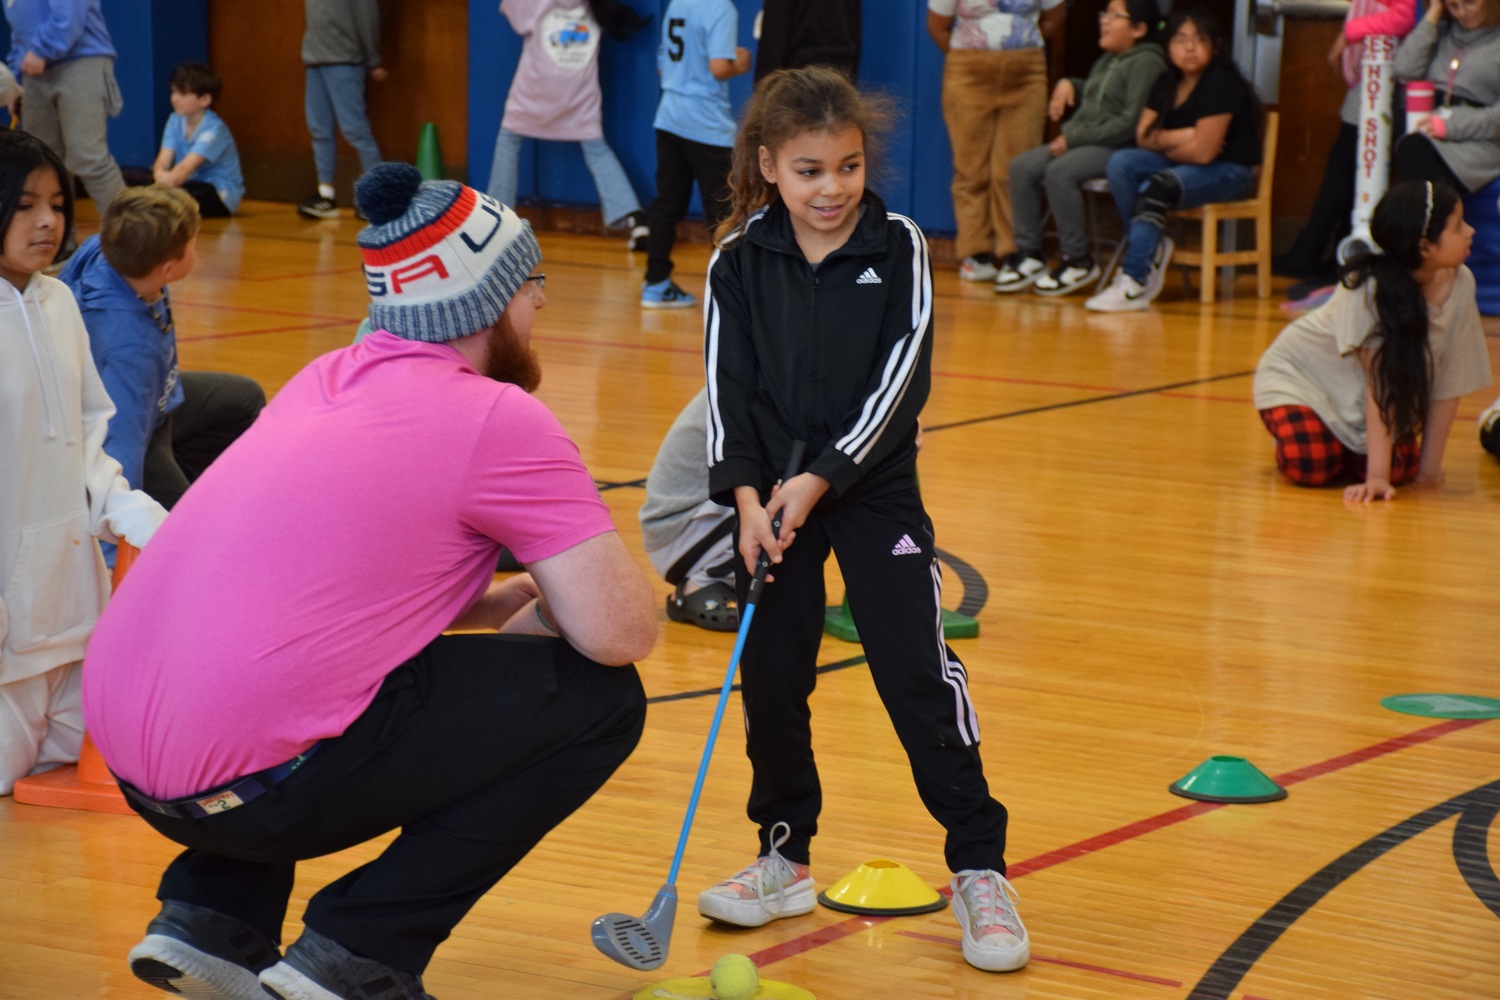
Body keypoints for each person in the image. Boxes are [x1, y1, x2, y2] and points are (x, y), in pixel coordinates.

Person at [83, 162, 657, 1000]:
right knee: (603, 704)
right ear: (487, 301)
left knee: (288, 678)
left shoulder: (326, 377)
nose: (541, 305)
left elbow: (319, 582)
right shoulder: (499, 416)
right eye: (532, 284)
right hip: (252, 788)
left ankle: (212, 919)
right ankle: (357, 952)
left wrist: (480, 603)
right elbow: (621, 633)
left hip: (138, 765)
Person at [700, 66, 1027, 973]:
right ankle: (783, 854)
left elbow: (901, 385)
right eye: (808, 170)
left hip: (870, 490)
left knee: (916, 672)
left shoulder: (900, 244)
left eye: (846, 166)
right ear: (769, 166)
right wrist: (745, 501)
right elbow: (726, 396)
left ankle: (979, 867)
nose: (832, 189)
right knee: (771, 680)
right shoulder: (737, 259)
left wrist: (820, 479)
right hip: (770, 499)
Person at [0, 130, 165, 796]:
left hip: (72, 610)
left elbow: (87, 432)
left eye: (57, 204)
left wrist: (122, 505)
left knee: (121, 754)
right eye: (24, 204)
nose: (47, 221)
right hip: (10, 625)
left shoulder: (60, 301)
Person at [1253, 181, 1491, 500]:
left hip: (1356, 398)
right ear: (1424, 247)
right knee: (1313, 464)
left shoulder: (1461, 283)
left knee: (1403, 470)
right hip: (1304, 381)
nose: (1470, 231)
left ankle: (1345, 447)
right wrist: (1377, 477)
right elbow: (1380, 385)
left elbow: (1449, 380)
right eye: (1458, 225)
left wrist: (1428, 471)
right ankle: (1307, 436)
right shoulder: (1367, 288)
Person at [58, 185, 266, 512]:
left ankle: (177, 478)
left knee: (243, 399)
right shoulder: (131, 348)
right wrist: (119, 536)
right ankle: (173, 503)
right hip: (130, 432)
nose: (197, 246)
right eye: (194, 243)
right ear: (168, 268)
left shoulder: (108, 247)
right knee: (191, 527)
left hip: (157, 405)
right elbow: (121, 446)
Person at [1087, 6, 1262, 312]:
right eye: (1180, 40)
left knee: (1157, 186)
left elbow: (1204, 153)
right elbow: (1143, 136)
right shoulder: (1167, 81)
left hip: (1231, 172)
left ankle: (1134, 280)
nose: (1190, 47)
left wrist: (1165, 141)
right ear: (1169, 46)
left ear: (1216, 45)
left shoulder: (1221, 82)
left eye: (1200, 39)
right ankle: (1151, 247)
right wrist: (1186, 136)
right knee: (1122, 163)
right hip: (1185, 166)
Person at [997, 0, 1165, 296]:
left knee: (1060, 172)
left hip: (1118, 148)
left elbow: (1129, 122)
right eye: (1105, 13)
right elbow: (1094, 94)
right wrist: (1069, 84)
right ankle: (1030, 253)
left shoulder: (1148, 62)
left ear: (1139, 28)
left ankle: (1076, 259)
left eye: (1114, 15)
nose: (1104, 20)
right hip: (1084, 140)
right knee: (1022, 166)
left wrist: (1072, 139)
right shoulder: (1108, 59)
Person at [1272, 0, 1418, 284]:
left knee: (1348, 160)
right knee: (1350, 160)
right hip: (1379, 69)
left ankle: (1315, 250)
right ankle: (1328, 248)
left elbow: (1404, 16)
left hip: (1391, 72)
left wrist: (1351, 31)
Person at [488, 0, 652, 250]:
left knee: (508, 142)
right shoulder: (595, 8)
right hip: (579, 100)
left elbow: (508, 7)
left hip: (533, 95)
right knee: (598, 151)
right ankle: (635, 219)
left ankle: (497, 221)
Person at [927, 0, 1066, 284]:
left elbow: (1054, 16)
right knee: (970, 166)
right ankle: (975, 252)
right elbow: (937, 26)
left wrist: (1018, 44)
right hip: (967, 71)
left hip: (1027, 72)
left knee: (1015, 167)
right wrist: (971, 56)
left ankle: (1016, 251)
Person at [641, 0, 752, 309]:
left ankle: (655, 282)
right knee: (722, 210)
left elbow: (664, 65)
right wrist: (741, 62)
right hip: (707, 125)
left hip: (670, 117)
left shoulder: (677, 4)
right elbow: (719, 67)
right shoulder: (721, 8)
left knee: (666, 204)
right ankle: (729, 291)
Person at [2, 0, 126, 225]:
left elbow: (70, 14)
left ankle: (133, 241)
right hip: (33, 73)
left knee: (89, 159)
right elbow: (20, 33)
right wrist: (15, 84)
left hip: (80, 61)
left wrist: (42, 49)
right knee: (44, 162)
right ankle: (60, 248)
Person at [640, 387, 740, 630]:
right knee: (787, 498)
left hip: (693, 524)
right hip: (677, 530)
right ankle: (702, 583)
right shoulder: (744, 385)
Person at [1392, 0, 1500, 194]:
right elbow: (1404, 70)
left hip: (1482, 140)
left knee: (1414, 148)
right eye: (1453, 5)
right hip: (1433, 129)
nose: (1461, 13)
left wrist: (1449, 127)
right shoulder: (1442, 32)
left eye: (1469, 3)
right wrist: (1433, 14)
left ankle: (1441, 220)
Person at [298, 0, 385, 220]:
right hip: (315, 60)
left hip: (345, 60)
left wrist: (373, 59)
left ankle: (378, 196)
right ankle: (326, 195)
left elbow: (368, 18)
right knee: (319, 129)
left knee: (355, 130)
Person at [150, 62, 246, 218]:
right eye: (173, 92)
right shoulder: (175, 119)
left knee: (171, 200)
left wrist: (160, 188)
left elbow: (184, 169)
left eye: (182, 94)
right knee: (135, 183)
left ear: (204, 99)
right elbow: (163, 159)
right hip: (187, 183)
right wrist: (159, 173)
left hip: (217, 192)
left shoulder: (214, 129)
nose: (174, 98)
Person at [753, 0, 861, 82]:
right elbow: (854, 31)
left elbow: (772, 42)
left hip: (796, 80)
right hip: (840, 75)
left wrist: (762, 90)